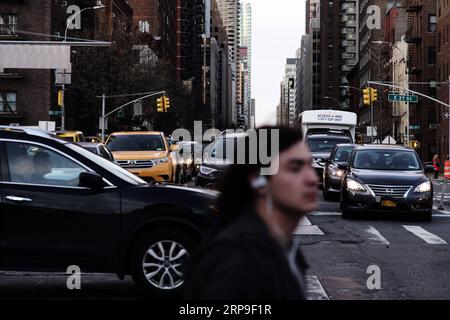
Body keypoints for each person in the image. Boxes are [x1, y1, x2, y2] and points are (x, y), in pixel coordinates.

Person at [183, 126, 319, 300]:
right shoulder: (237, 260)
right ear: (258, 179)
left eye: (310, 165)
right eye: (295, 168)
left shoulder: (282, 245)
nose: (312, 179)